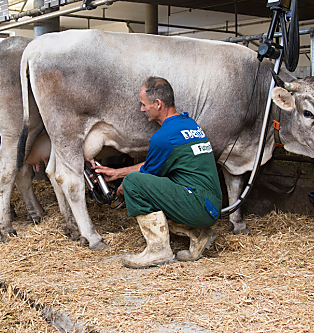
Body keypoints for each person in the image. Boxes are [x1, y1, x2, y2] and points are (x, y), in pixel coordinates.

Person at [93, 76, 222, 269]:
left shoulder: (163, 137)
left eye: (144, 104)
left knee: (133, 184)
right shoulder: (188, 124)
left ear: (158, 104)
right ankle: (198, 235)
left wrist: (122, 187)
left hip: (199, 207)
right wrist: (117, 173)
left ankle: (158, 250)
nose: (141, 109)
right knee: (140, 181)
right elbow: (153, 165)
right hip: (210, 204)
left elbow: (144, 178)